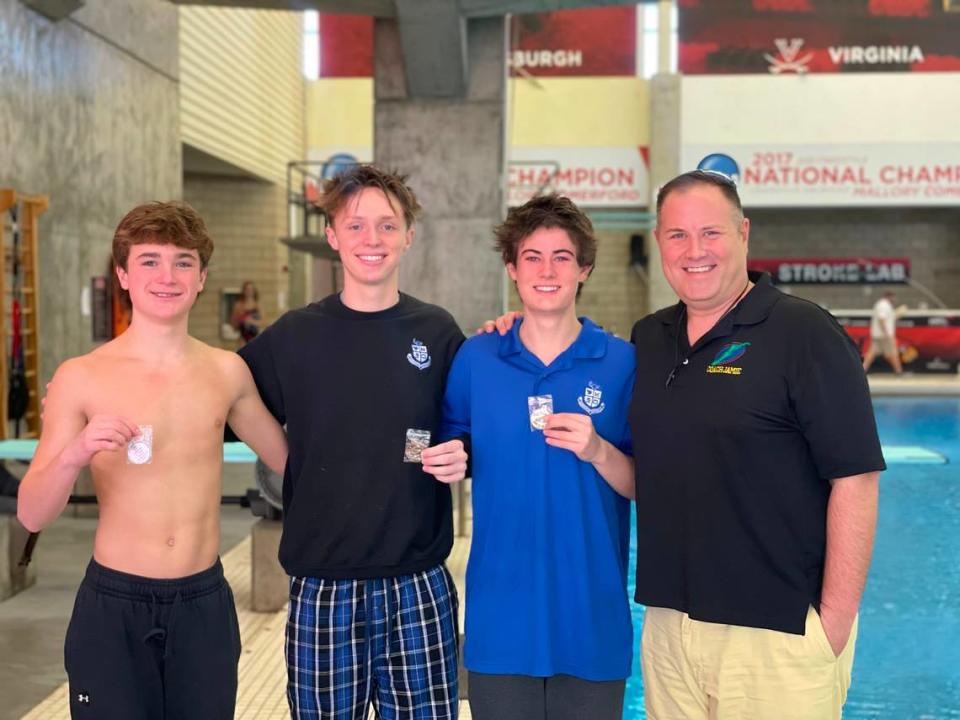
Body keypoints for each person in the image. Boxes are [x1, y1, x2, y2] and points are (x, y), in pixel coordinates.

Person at [17, 201, 288, 720]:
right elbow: (32, 514)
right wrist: (77, 450)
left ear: (202, 276)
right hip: (114, 604)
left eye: (183, 262)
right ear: (122, 273)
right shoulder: (82, 376)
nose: (167, 276)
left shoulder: (226, 372)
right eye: (149, 261)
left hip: (202, 603)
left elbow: (290, 463)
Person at [630, 170, 884, 719]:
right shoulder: (649, 339)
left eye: (711, 233)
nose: (694, 251)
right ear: (659, 243)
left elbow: (857, 478)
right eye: (677, 235)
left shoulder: (804, 333)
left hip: (777, 635)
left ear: (743, 233)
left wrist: (831, 626)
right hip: (670, 629)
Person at [237, 164, 468, 720]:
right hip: (325, 586)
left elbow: (470, 424)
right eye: (357, 225)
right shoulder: (295, 336)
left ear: (408, 236)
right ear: (333, 235)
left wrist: (464, 452)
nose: (372, 240)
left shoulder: (436, 332)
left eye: (387, 226)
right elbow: (222, 396)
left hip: (418, 586)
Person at [440, 195, 635, 720]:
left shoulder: (620, 362)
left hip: (590, 619)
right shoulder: (478, 357)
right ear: (512, 268)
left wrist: (597, 449)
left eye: (562, 257)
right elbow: (455, 439)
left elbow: (645, 483)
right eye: (532, 256)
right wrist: (452, 457)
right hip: (502, 618)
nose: (546, 271)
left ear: (584, 269)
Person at [862, 290, 903, 374]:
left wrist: (898, 314)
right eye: (893, 297)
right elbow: (881, 320)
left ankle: (862, 370)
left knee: (872, 353)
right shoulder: (883, 305)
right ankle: (899, 371)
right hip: (883, 335)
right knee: (892, 352)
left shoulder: (885, 305)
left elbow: (888, 319)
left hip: (880, 334)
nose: (895, 299)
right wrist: (887, 333)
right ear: (889, 296)